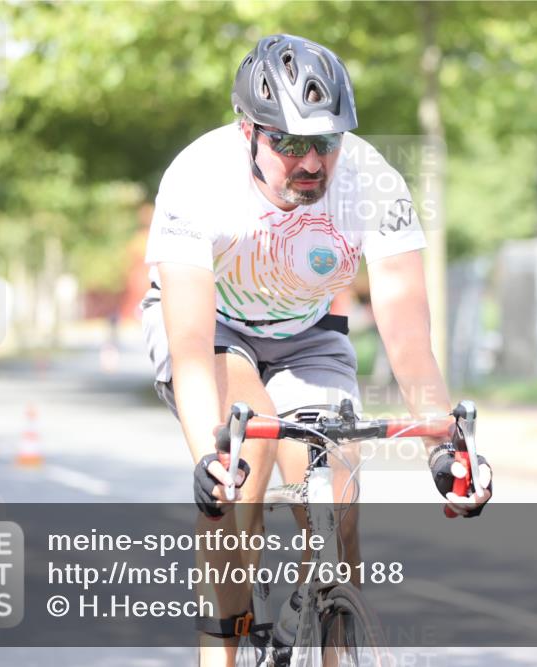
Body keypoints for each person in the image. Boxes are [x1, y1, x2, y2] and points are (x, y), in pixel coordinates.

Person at [141, 33, 492, 665]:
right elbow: (190, 344)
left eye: (325, 143)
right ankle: (221, 643)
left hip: (307, 334)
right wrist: (208, 455)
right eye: (289, 142)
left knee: (339, 502)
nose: (311, 162)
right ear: (248, 130)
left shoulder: (372, 183)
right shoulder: (197, 179)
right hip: (215, 327)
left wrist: (446, 446)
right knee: (246, 458)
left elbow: (408, 336)